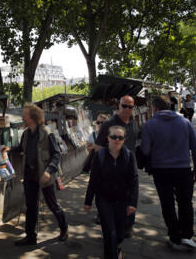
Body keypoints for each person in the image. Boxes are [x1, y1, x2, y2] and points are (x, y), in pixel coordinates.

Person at [2, 103, 68, 246]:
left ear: (32, 117)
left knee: (52, 204)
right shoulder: (26, 134)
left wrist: (48, 171)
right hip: (30, 175)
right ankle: (30, 236)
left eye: (24, 115)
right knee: (31, 206)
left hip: (45, 175)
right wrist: (9, 149)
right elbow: (21, 148)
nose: (22, 117)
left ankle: (64, 229)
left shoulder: (46, 132)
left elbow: (57, 154)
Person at [140, 96, 196, 251]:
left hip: (161, 170)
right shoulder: (185, 122)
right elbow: (195, 146)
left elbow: (146, 150)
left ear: (155, 108)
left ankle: (174, 236)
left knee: (167, 203)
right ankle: (187, 235)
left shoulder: (149, 125)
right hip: (183, 169)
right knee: (185, 202)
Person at [84, 125, 138, 259]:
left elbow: (134, 181)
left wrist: (132, 202)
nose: (117, 140)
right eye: (114, 137)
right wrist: (88, 201)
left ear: (124, 139)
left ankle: (118, 247)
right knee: (109, 233)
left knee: (120, 232)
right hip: (104, 200)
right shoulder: (99, 156)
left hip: (122, 200)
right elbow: (93, 179)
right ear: (108, 138)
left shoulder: (129, 155)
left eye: (120, 137)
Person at [92, 95, 138, 238]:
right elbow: (98, 147)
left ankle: (128, 224)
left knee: (130, 195)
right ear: (118, 106)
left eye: (130, 107)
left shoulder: (133, 122)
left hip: (129, 165)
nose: (126, 109)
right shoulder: (108, 124)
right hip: (111, 168)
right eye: (124, 105)